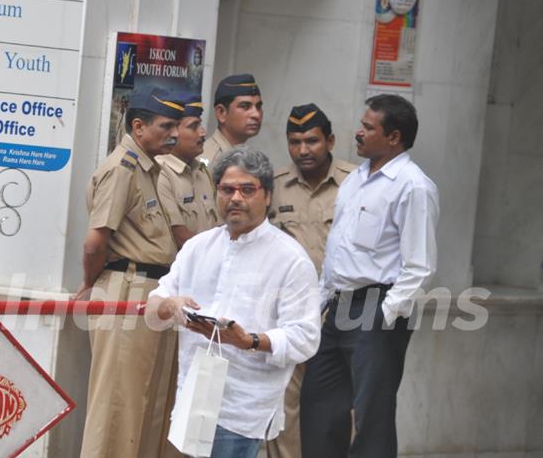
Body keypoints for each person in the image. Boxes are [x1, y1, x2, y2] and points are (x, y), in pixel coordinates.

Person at [146, 146, 322, 458]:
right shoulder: (198, 248)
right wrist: (170, 306)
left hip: (244, 405)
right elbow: (155, 303)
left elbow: (306, 337)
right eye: (227, 189)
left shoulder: (290, 259)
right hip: (192, 396)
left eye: (247, 189)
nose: (236, 198)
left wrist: (249, 341)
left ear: (267, 195)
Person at [300, 94, 439, 458]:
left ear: (393, 137)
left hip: (377, 310)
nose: (358, 133)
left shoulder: (413, 185)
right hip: (337, 308)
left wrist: (385, 315)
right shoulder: (356, 179)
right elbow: (337, 254)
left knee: (371, 419)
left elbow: (420, 265)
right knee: (319, 408)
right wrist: (316, 306)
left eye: (368, 127)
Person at [77, 87, 185, 458]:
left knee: (149, 400)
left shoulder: (150, 168)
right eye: (166, 126)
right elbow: (95, 242)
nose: (174, 134)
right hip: (126, 287)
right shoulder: (122, 168)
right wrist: (90, 285)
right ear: (139, 127)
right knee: (118, 402)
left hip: (151, 289)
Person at [267, 103, 355, 458]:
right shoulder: (273, 185)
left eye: (312, 141)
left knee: (339, 408)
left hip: (341, 314)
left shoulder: (355, 183)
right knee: (285, 403)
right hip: (288, 313)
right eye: (295, 141)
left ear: (330, 140)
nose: (303, 150)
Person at [157, 93, 218, 248]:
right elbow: (179, 236)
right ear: (173, 132)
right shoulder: (160, 172)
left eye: (200, 125)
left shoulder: (202, 172)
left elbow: (220, 228)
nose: (203, 133)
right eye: (193, 126)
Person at [201, 73, 263, 166]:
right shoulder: (209, 161)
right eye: (245, 106)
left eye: (258, 106)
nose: (256, 114)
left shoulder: (247, 156)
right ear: (221, 113)